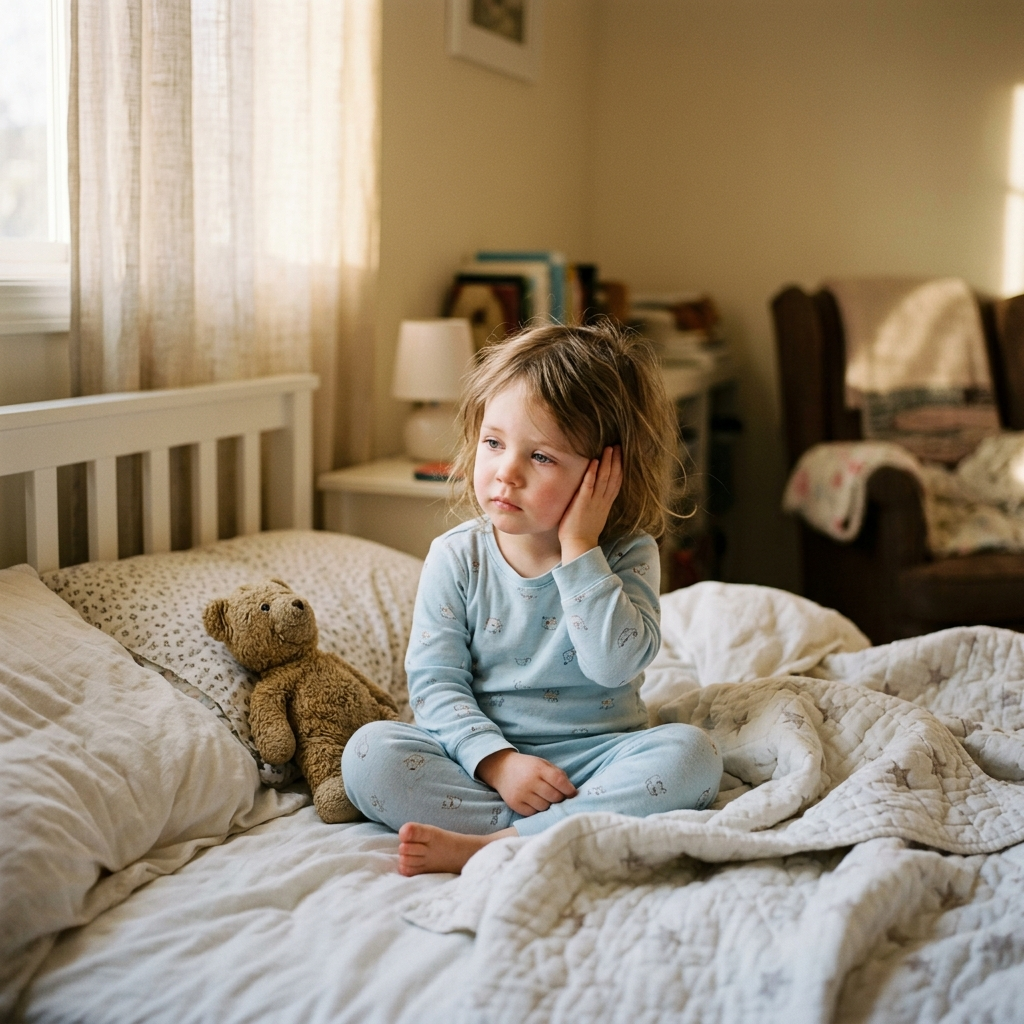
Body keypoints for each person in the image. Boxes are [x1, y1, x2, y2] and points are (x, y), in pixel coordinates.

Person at [342, 320, 722, 875]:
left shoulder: (627, 554)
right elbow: (435, 685)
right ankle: (562, 832)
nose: (506, 472)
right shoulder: (457, 557)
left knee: (694, 758)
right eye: (494, 443)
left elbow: (613, 664)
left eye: (541, 457)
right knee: (368, 755)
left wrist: (579, 549)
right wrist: (500, 765)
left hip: (598, 760)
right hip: (484, 763)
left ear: (606, 473)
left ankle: (501, 845)